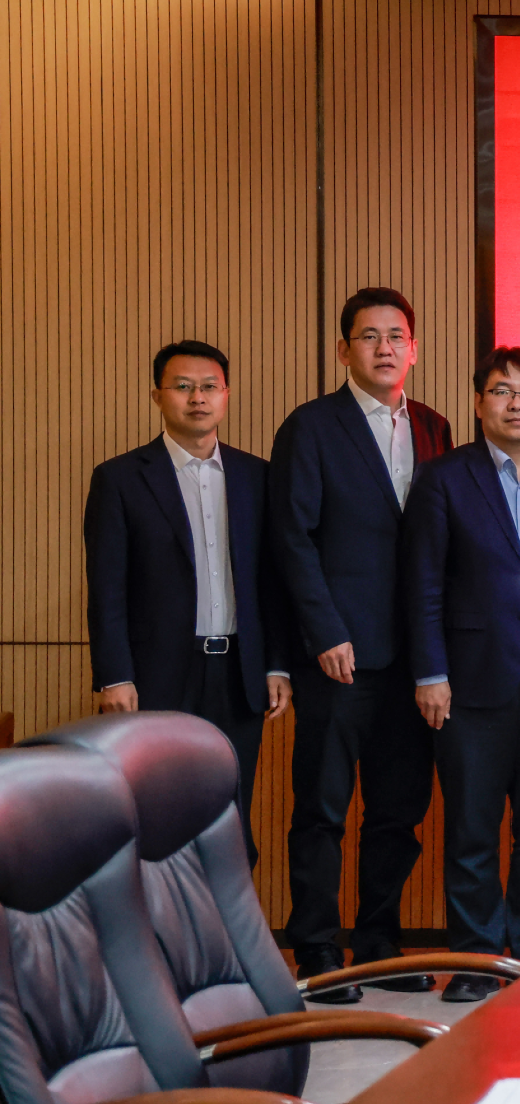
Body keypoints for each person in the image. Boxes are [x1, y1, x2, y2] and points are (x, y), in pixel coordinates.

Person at [268, 287, 452, 1000]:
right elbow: (292, 539)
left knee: (398, 812)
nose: (384, 348)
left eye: (396, 335)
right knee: (322, 807)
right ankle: (317, 947)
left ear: (414, 349)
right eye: (369, 336)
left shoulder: (434, 427)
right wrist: (324, 631)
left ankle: (379, 941)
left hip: (416, 660)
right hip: (338, 656)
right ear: (343, 349)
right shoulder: (311, 426)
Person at [404, 347, 520, 1000]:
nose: (516, 403)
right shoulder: (443, 478)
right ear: (479, 402)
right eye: (503, 391)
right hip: (468, 680)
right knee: (472, 828)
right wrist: (430, 672)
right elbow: (422, 583)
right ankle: (478, 962)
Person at [84, 340, 291, 862]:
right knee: (156, 815)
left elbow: (272, 582)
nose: (197, 398)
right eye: (182, 387)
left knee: (231, 817)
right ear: (158, 395)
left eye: (209, 387)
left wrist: (276, 664)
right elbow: (107, 587)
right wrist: (115, 676)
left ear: (226, 395)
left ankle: (226, 915)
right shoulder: (120, 478)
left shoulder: (257, 476)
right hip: (157, 675)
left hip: (239, 674)